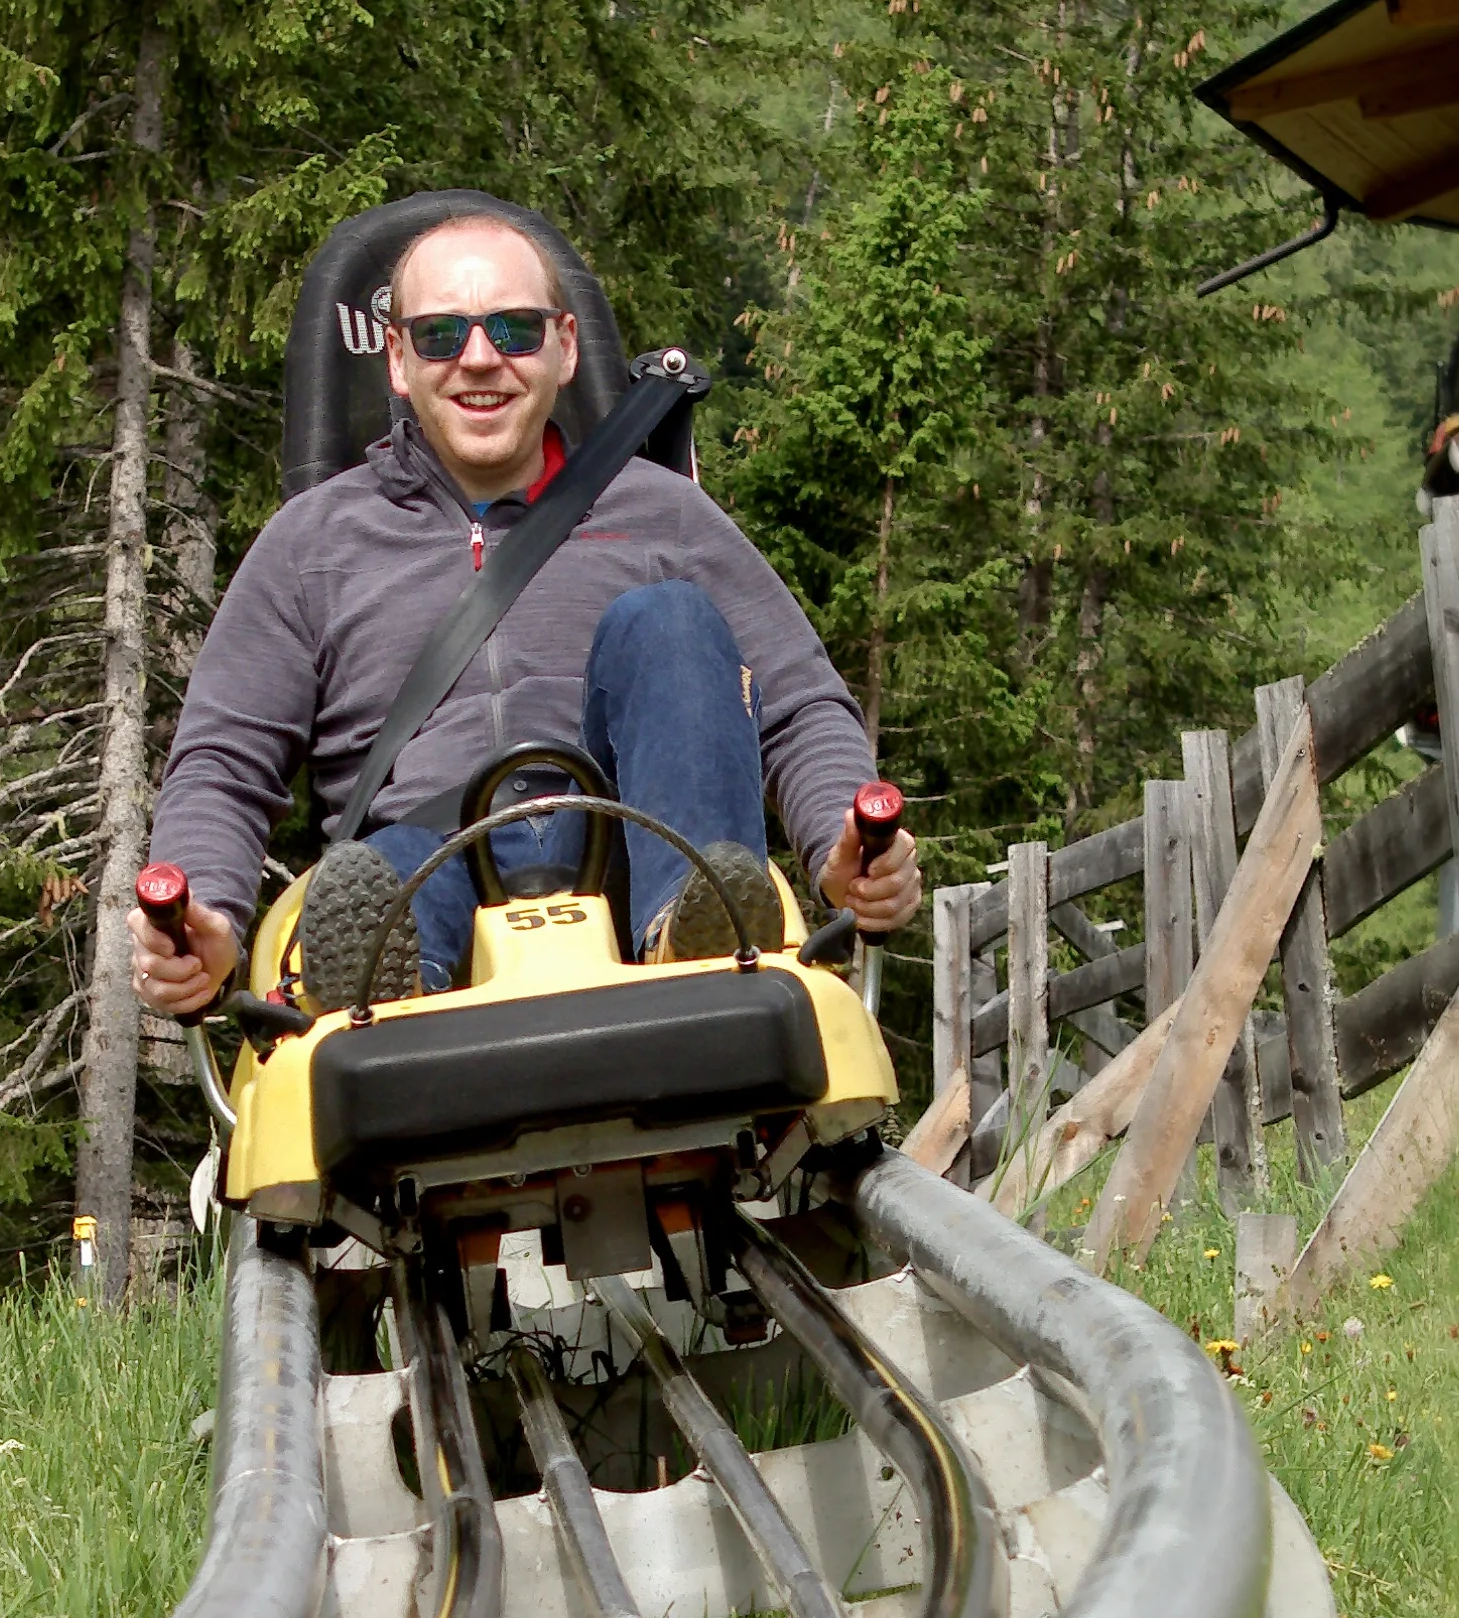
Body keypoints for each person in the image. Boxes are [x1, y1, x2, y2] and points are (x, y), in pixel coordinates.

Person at [128, 213, 920, 1018]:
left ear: (565, 347)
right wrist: (210, 918)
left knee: (672, 619)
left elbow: (799, 704)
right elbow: (223, 761)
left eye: (514, 328)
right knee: (377, 886)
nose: (479, 358)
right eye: (440, 334)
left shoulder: (666, 515)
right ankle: (383, 999)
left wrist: (841, 844)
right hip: (422, 859)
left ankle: (693, 938)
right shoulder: (311, 543)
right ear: (397, 358)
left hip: (635, 853)